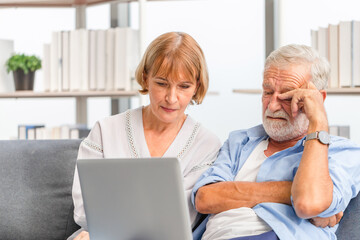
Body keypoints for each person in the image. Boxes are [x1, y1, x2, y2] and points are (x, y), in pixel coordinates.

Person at [192, 44, 360, 240]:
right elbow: (205, 198)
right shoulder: (240, 141)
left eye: (289, 96)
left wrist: (319, 121)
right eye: (268, 92)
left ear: (317, 99)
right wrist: (292, 191)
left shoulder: (343, 152)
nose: (272, 105)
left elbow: (308, 202)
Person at [68, 32, 222, 240]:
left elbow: (183, 219)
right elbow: (84, 208)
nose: (171, 98)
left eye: (184, 86)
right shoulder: (105, 130)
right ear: (145, 77)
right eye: (162, 83)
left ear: (197, 87)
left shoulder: (206, 145)